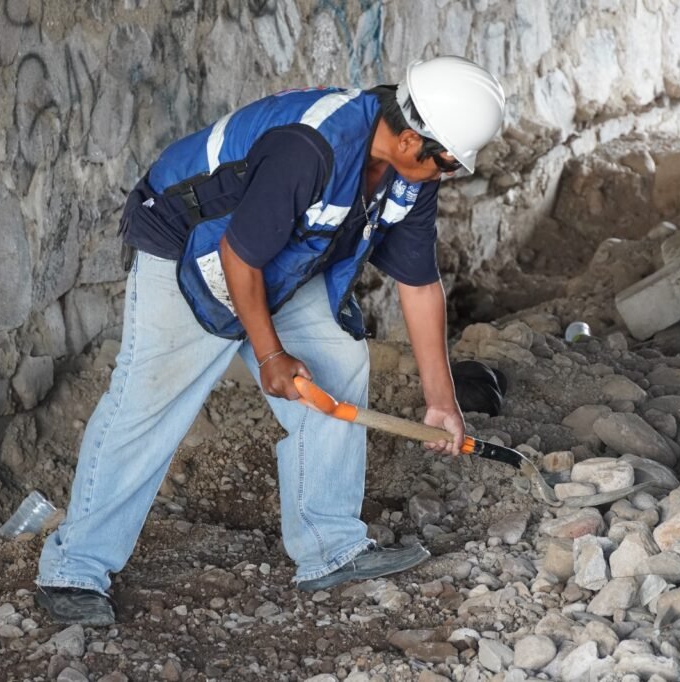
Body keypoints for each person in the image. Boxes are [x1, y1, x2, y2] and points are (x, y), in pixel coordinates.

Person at [34, 55, 506, 625]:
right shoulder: (310, 149)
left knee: (338, 360)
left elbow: (419, 284)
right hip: (191, 241)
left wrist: (442, 403)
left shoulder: (411, 174)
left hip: (280, 252)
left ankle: (329, 546)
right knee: (149, 401)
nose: (450, 174)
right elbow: (238, 257)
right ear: (411, 139)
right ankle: (73, 569)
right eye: (450, 163)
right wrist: (271, 355)